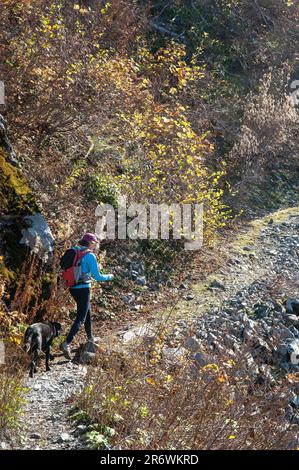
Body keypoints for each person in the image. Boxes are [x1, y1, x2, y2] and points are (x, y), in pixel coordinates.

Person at [60, 233, 113, 359]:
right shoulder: (89, 256)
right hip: (84, 288)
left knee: (87, 312)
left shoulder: (74, 251)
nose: (95, 246)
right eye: (95, 244)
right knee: (81, 317)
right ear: (91, 243)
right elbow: (98, 277)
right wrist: (110, 276)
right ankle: (66, 343)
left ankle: (90, 339)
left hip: (72, 287)